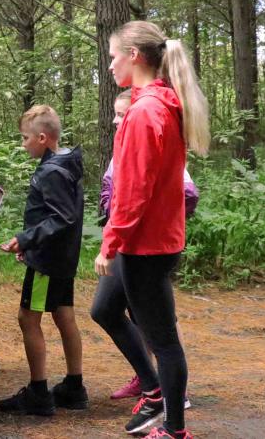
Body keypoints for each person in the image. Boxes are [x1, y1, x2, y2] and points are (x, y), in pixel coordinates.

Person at [95, 21, 210, 439]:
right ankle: (154, 390)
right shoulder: (152, 103)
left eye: (113, 57)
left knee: (163, 341)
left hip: (147, 245)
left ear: (134, 56)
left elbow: (133, 191)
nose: (110, 66)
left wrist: (110, 243)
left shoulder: (147, 112)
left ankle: (175, 430)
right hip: (144, 240)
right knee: (104, 309)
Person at [94, 89, 199, 403]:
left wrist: (153, 220)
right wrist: (112, 212)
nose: (115, 121)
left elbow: (187, 194)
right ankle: (150, 381)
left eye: (121, 114)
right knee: (106, 310)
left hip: (147, 247)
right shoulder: (122, 145)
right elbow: (113, 192)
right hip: (124, 243)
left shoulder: (152, 137)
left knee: (157, 322)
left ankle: (173, 393)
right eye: (114, 114)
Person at [0, 105, 87, 416]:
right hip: (60, 257)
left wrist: (25, 240)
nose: (23, 144)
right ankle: (74, 387)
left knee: (28, 318)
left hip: (48, 264)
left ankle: (38, 393)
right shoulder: (64, 163)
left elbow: (62, 217)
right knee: (64, 315)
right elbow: (59, 217)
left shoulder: (51, 171)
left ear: (41, 138)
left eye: (25, 138)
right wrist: (30, 243)